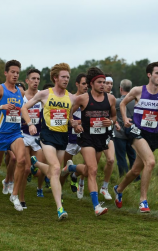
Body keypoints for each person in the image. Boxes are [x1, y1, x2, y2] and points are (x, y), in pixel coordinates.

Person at [114, 61, 158, 213]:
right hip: (137, 131)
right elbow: (122, 103)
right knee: (150, 162)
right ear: (149, 75)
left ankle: (118, 190)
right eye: (157, 73)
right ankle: (143, 201)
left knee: (135, 171)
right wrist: (126, 119)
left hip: (152, 135)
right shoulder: (138, 91)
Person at [23, 63, 74, 219]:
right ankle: (60, 208)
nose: (66, 79)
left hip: (62, 136)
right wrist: (31, 124)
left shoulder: (71, 97)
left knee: (55, 173)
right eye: (63, 77)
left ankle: (37, 164)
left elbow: (71, 118)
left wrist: (76, 125)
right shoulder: (45, 94)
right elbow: (23, 108)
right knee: (57, 168)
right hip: (47, 135)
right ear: (55, 78)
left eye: (68, 77)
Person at [69, 67, 116, 216]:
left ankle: (71, 169)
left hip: (101, 138)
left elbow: (114, 117)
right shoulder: (83, 99)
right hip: (86, 138)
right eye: (99, 82)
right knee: (93, 170)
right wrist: (75, 125)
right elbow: (70, 116)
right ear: (92, 83)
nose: (103, 85)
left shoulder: (110, 99)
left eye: (104, 82)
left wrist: (111, 122)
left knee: (89, 170)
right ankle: (96, 206)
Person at [0, 60, 26, 212]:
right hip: (0, 134)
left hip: (15, 133)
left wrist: (28, 121)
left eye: (17, 73)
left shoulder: (20, 92)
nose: (15, 75)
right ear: (6, 73)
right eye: (13, 72)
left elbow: (22, 109)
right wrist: (2, 106)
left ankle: (14, 195)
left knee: (21, 160)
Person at [60, 73, 87, 199]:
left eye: (88, 84)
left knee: (89, 166)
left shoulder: (89, 100)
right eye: (83, 84)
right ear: (77, 84)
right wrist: (72, 123)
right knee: (64, 169)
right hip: (70, 139)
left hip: (85, 139)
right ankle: (58, 191)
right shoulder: (70, 99)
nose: (86, 86)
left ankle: (75, 177)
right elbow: (63, 118)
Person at [21, 68, 45, 201]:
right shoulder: (21, 96)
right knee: (25, 169)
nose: (36, 81)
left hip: (38, 137)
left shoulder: (42, 96)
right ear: (27, 81)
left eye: (38, 79)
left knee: (40, 170)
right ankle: (21, 198)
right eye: (33, 79)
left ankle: (39, 187)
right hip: (23, 135)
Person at [114, 79, 137, 178]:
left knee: (121, 158)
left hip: (120, 134)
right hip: (132, 133)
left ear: (121, 88)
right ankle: (135, 177)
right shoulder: (136, 101)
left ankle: (123, 177)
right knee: (133, 157)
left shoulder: (117, 101)